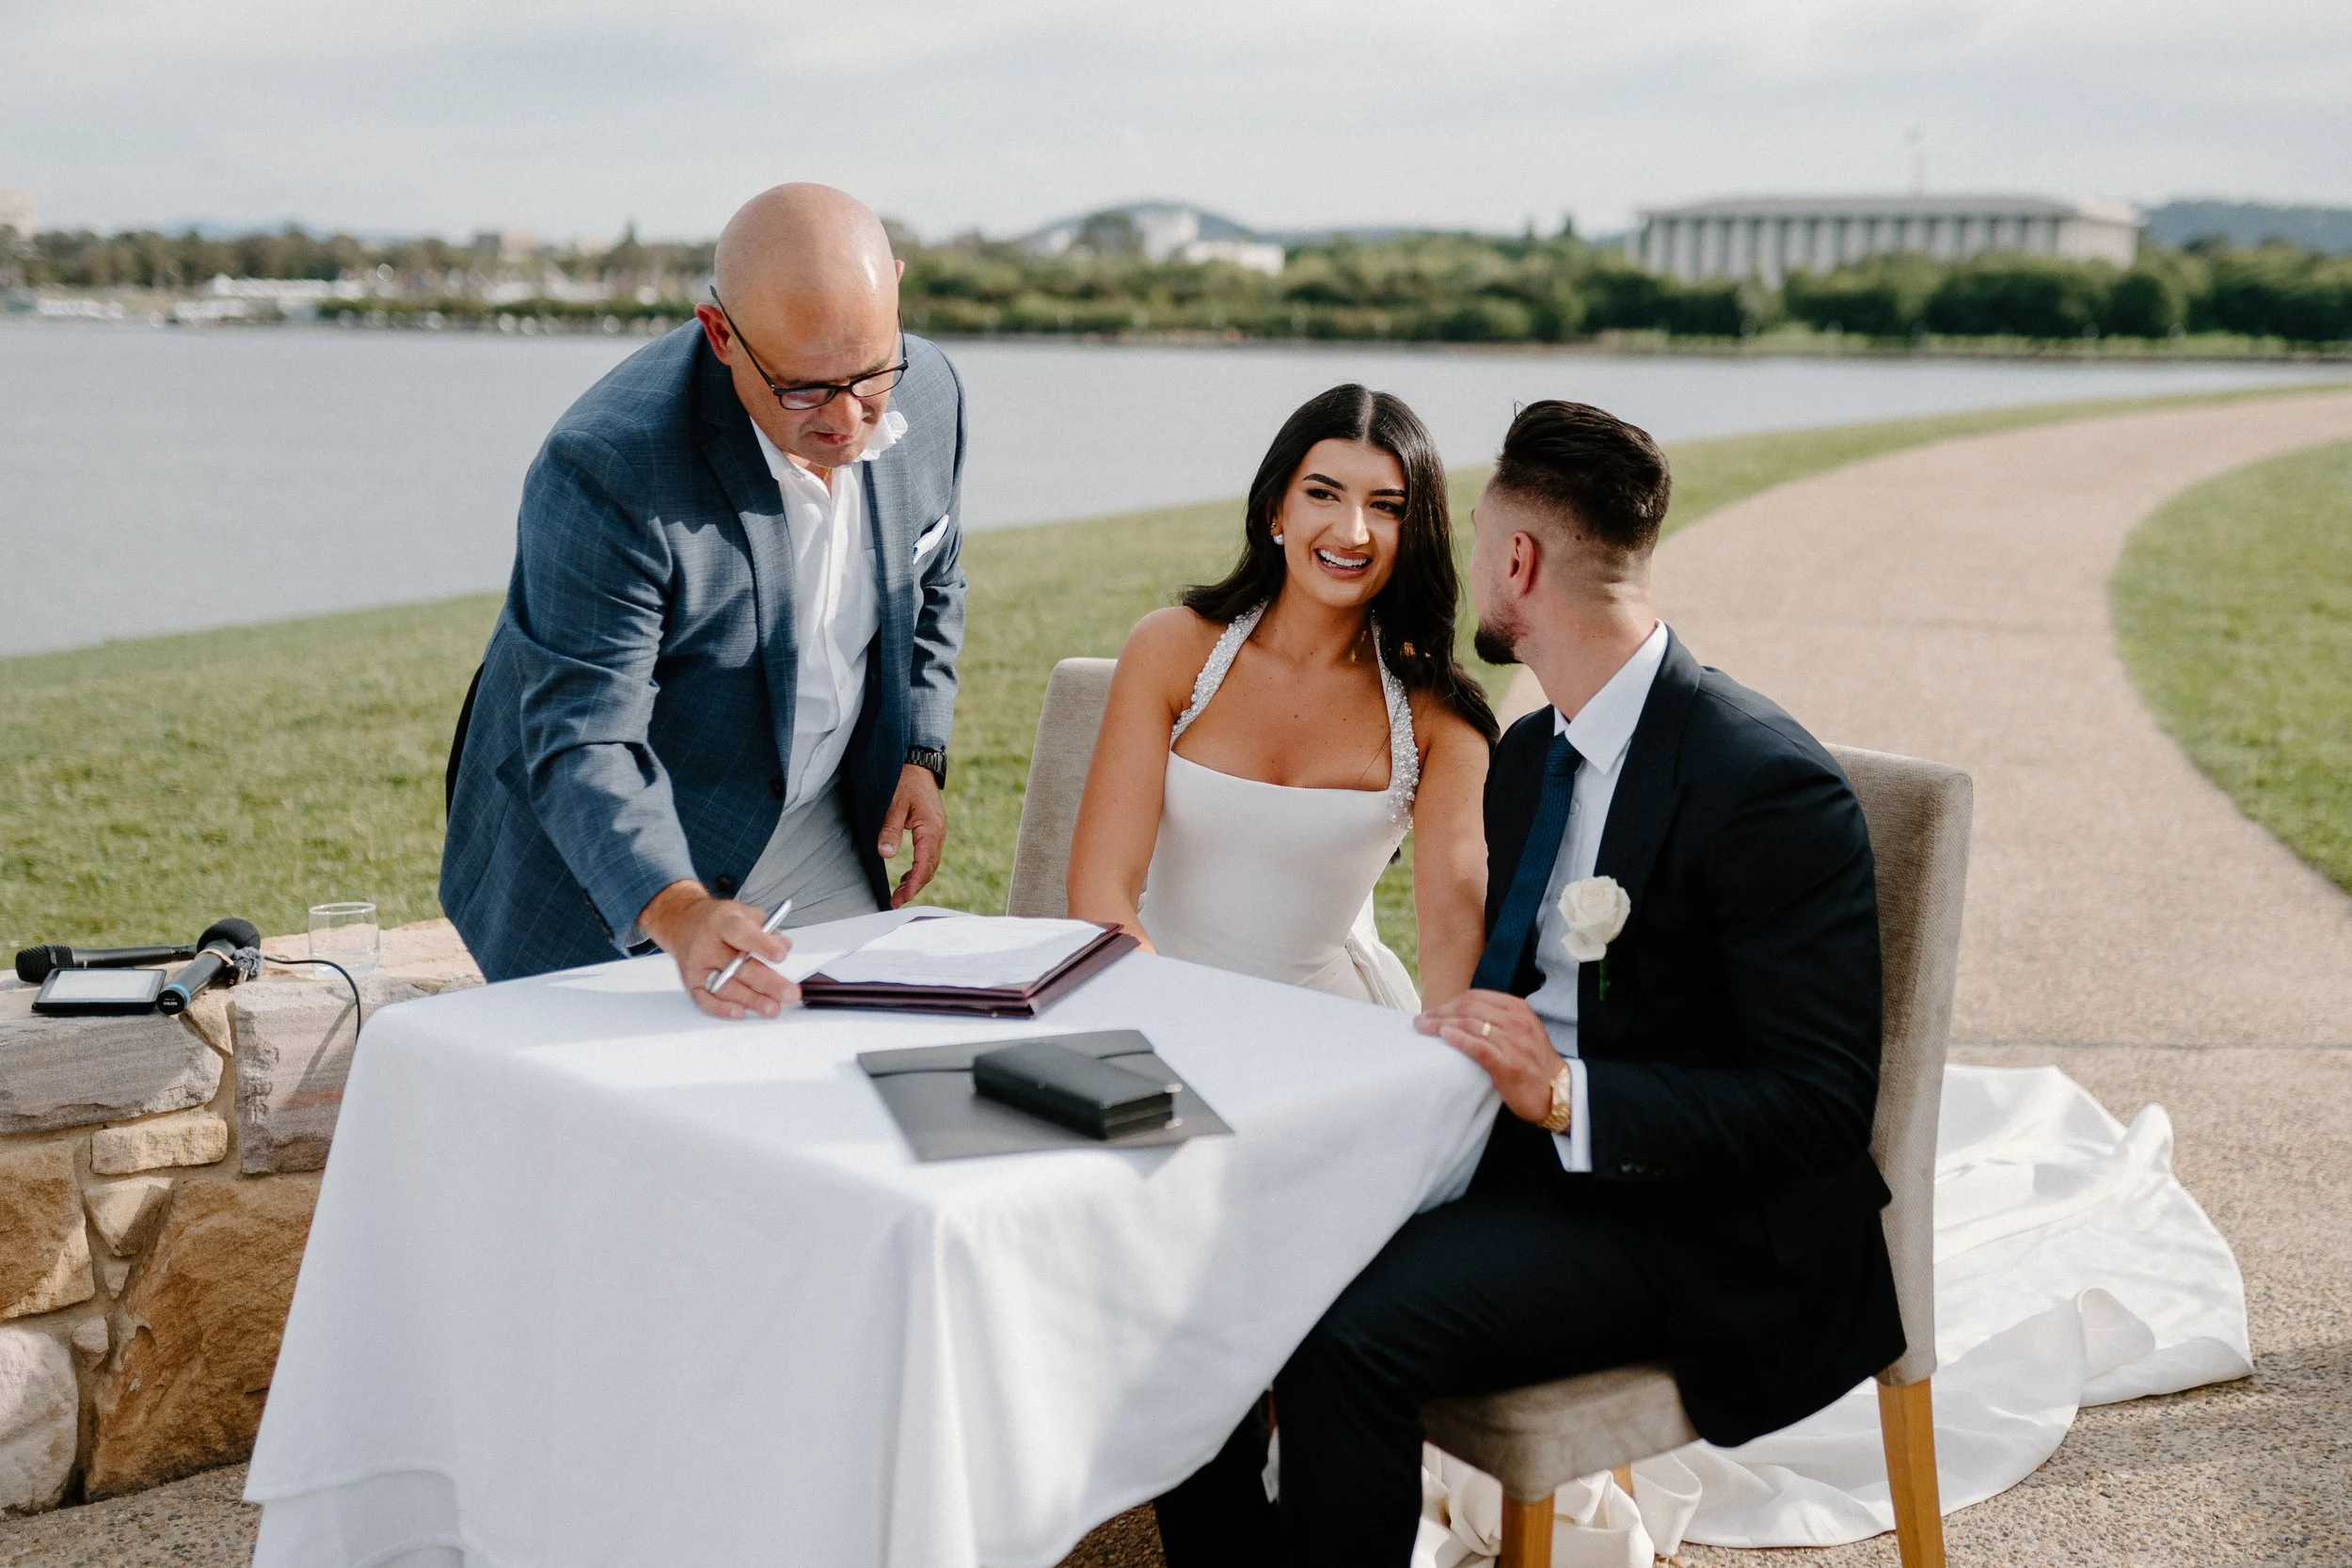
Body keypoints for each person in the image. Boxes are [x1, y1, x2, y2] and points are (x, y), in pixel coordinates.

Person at [1158, 400, 1903, 1567]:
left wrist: (1563, 1096)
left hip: (1686, 1220)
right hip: (1506, 1162)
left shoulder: (1763, 785)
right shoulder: (1525, 753)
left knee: (1344, 1336)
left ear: (1519, 561)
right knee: (1210, 1254)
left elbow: (1816, 1107)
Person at [440, 184, 967, 1012]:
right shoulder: (609, 469)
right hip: (619, 860)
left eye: (870, 378)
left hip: (818, 823)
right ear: (720, 333)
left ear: (895, 291)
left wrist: (921, 750)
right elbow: (584, 738)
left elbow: (936, 575)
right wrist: (680, 911)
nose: (847, 423)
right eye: (803, 389)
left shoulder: (932, 392)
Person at [1065, 384, 1497, 1015]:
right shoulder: (1172, 647)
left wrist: (1450, 1057)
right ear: (1277, 510)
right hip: (1154, 1004)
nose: (1351, 531)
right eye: (1323, 493)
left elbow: (1454, 930)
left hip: (1333, 1029)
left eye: (1385, 506)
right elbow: (1101, 887)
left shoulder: (1439, 715)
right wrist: (1163, 1021)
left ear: (1413, 530)